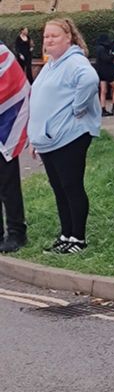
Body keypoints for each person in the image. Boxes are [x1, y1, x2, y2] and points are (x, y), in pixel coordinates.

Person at [28, 18, 101, 254]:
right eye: (46, 36)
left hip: (69, 136)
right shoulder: (52, 64)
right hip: (49, 139)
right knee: (59, 189)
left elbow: (90, 80)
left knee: (71, 187)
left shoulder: (74, 61)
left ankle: (78, 239)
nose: (48, 40)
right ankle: (65, 234)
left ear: (68, 37)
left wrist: (78, 108)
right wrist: (35, 137)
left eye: (54, 36)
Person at [0, 41, 30, 252]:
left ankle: (17, 232)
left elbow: (10, 84)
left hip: (4, 128)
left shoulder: (2, 53)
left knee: (9, 185)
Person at [94, 33, 114, 116]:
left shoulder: (98, 48)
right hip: (107, 71)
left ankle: (103, 108)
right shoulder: (103, 49)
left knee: (103, 90)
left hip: (100, 71)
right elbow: (107, 59)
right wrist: (113, 55)